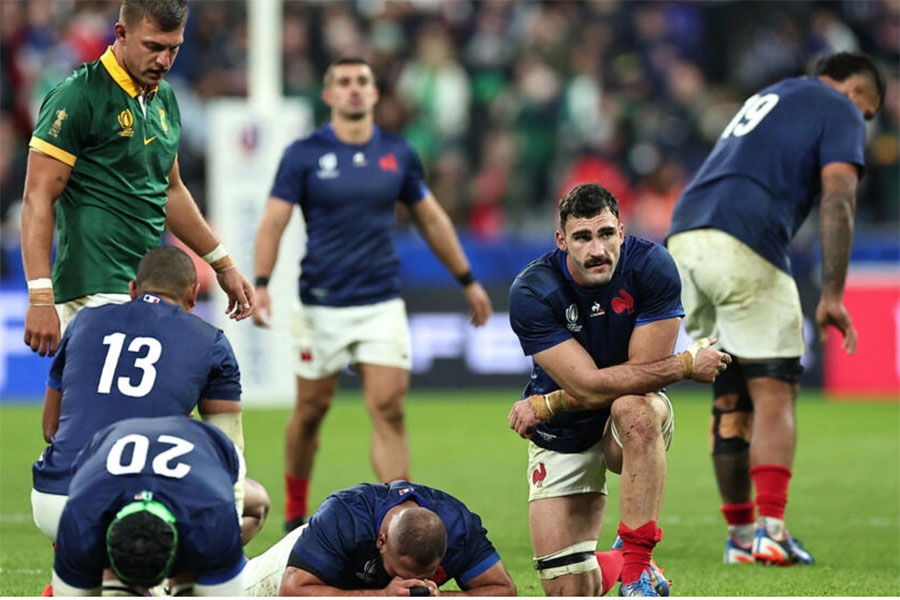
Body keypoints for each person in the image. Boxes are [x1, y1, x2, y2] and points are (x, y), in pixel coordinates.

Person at [252, 57, 493, 531]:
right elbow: (273, 222)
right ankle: (295, 511)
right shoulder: (303, 154)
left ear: (376, 93)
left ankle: (402, 515)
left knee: (389, 408)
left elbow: (431, 219)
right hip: (320, 303)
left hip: (381, 301)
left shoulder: (398, 153)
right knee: (310, 411)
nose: (354, 89)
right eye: (343, 82)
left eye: (362, 81)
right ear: (328, 95)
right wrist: (261, 283)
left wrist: (467, 279)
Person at [665, 52, 884, 567]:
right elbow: (839, 197)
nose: (863, 126)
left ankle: (741, 536)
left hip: (685, 238)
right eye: (868, 113)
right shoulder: (839, 105)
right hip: (745, 241)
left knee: (731, 392)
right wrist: (832, 293)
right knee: (774, 389)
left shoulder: (773, 94)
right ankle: (772, 530)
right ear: (855, 92)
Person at [506, 183, 732, 596]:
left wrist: (548, 402)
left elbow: (645, 375)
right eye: (582, 237)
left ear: (622, 232)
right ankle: (621, 556)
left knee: (633, 408)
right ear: (561, 241)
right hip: (563, 431)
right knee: (568, 590)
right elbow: (589, 388)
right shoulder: (533, 291)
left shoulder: (651, 267)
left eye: (606, 234)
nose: (597, 250)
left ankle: (638, 572)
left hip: (621, 421)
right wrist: (685, 364)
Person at [21, 0, 254, 359]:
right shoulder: (78, 95)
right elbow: (38, 197)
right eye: (154, 47)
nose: (163, 60)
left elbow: (171, 189)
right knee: (116, 412)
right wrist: (39, 295)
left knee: (159, 410)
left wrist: (223, 265)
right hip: (94, 290)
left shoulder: (165, 99)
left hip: (149, 288)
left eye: (173, 49)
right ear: (121, 34)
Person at [31, 246, 267, 549]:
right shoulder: (212, 342)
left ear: (132, 289)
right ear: (194, 295)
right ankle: (174, 579)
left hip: (53, 503)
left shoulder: (83, 321)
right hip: (142, 510)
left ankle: (84, 562)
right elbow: (228, 452)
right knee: (256, 503)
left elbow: (50, 430)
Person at [51, 416, 248, 596]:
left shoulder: (213, 517)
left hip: (212, 447)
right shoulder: (82, 516)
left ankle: (183, 584)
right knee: (116, 593)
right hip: (105, 445)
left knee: (202, 574)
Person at [240, 480, 517, 596]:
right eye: (397, 572)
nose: (413, 583)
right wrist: (382, 594)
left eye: (426, 576)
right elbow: (293, 590)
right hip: (300, 561)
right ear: (381, 541)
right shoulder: (343, 517)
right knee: (230, 587)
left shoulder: (459, 528)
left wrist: (439, 596)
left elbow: (504, 591)